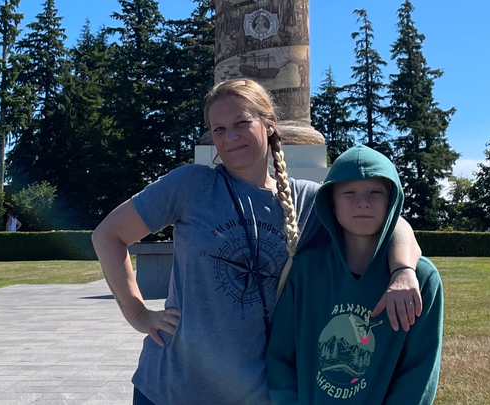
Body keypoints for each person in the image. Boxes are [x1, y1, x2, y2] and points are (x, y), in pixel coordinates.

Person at [91, 78, 423, 405]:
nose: (230, 137)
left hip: (256, 393)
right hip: (170, 388)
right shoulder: (191, 185)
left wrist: (403, 271)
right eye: (218, 129)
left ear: (270, 124)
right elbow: (107, 235)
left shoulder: (306, 200)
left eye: (242, 123)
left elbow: (391, 223)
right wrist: (138, 313)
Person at [267, 146, 444, 405]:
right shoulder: (305, 271)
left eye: (376, 192)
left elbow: (418, 372)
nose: (362, 202)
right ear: (331, 204)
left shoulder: (421, 279)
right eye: (349, 193)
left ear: (392, 200)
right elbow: (281, 357)